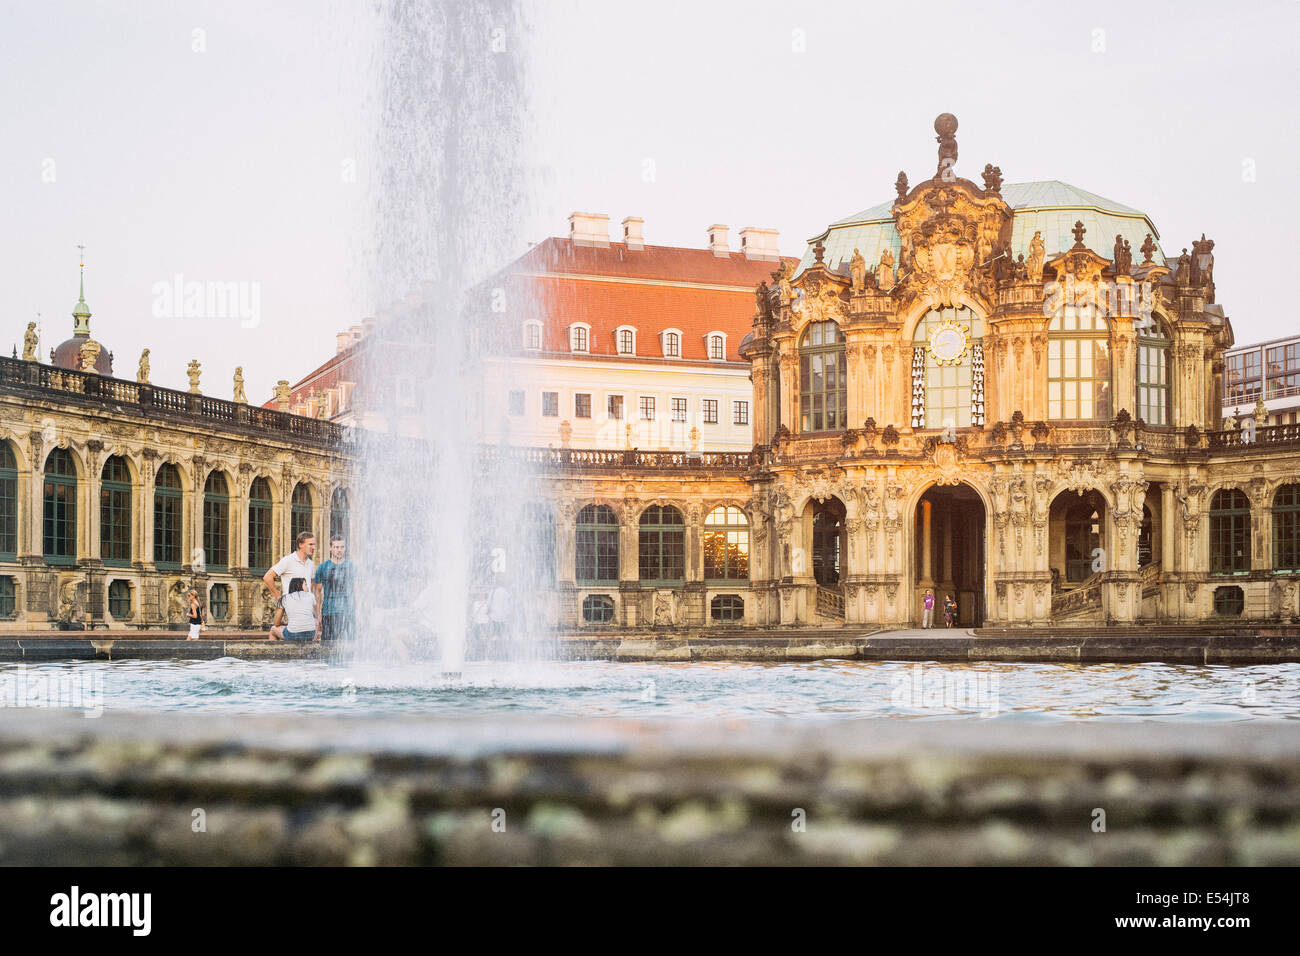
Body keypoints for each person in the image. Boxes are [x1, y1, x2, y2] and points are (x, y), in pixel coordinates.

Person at [263, 531, 316, 623]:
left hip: (307, 607)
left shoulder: (310, 564)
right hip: (292, 607)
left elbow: (311, 584)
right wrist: (279, 597)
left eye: (314, 544)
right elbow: (267, 577)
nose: (313, 547)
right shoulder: (288, 560)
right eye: (310, 544)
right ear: (300, 545)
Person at [313, 536, 355, 645]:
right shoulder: (323, 567)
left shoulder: (351, 567)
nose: (339, 550)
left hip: (348, 612)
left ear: (345, 548)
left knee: (350, 646)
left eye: (342, 547)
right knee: (327, 646)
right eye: (336, 547)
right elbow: (317, 593)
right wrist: (318, 615)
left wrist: (358, 612)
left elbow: (357, 591)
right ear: (330, 548)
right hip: (329, 612)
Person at [269, 577, 318, 642]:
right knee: (315, 622)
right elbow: (313, 615)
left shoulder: (285, 598)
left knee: (273, 629)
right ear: (299, 585)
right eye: (305, 585)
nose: (308, 587)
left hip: (293, 635)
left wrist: (285, 624)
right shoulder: (311, 596)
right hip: (311, 634)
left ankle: (273, 651)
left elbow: (276, 623)